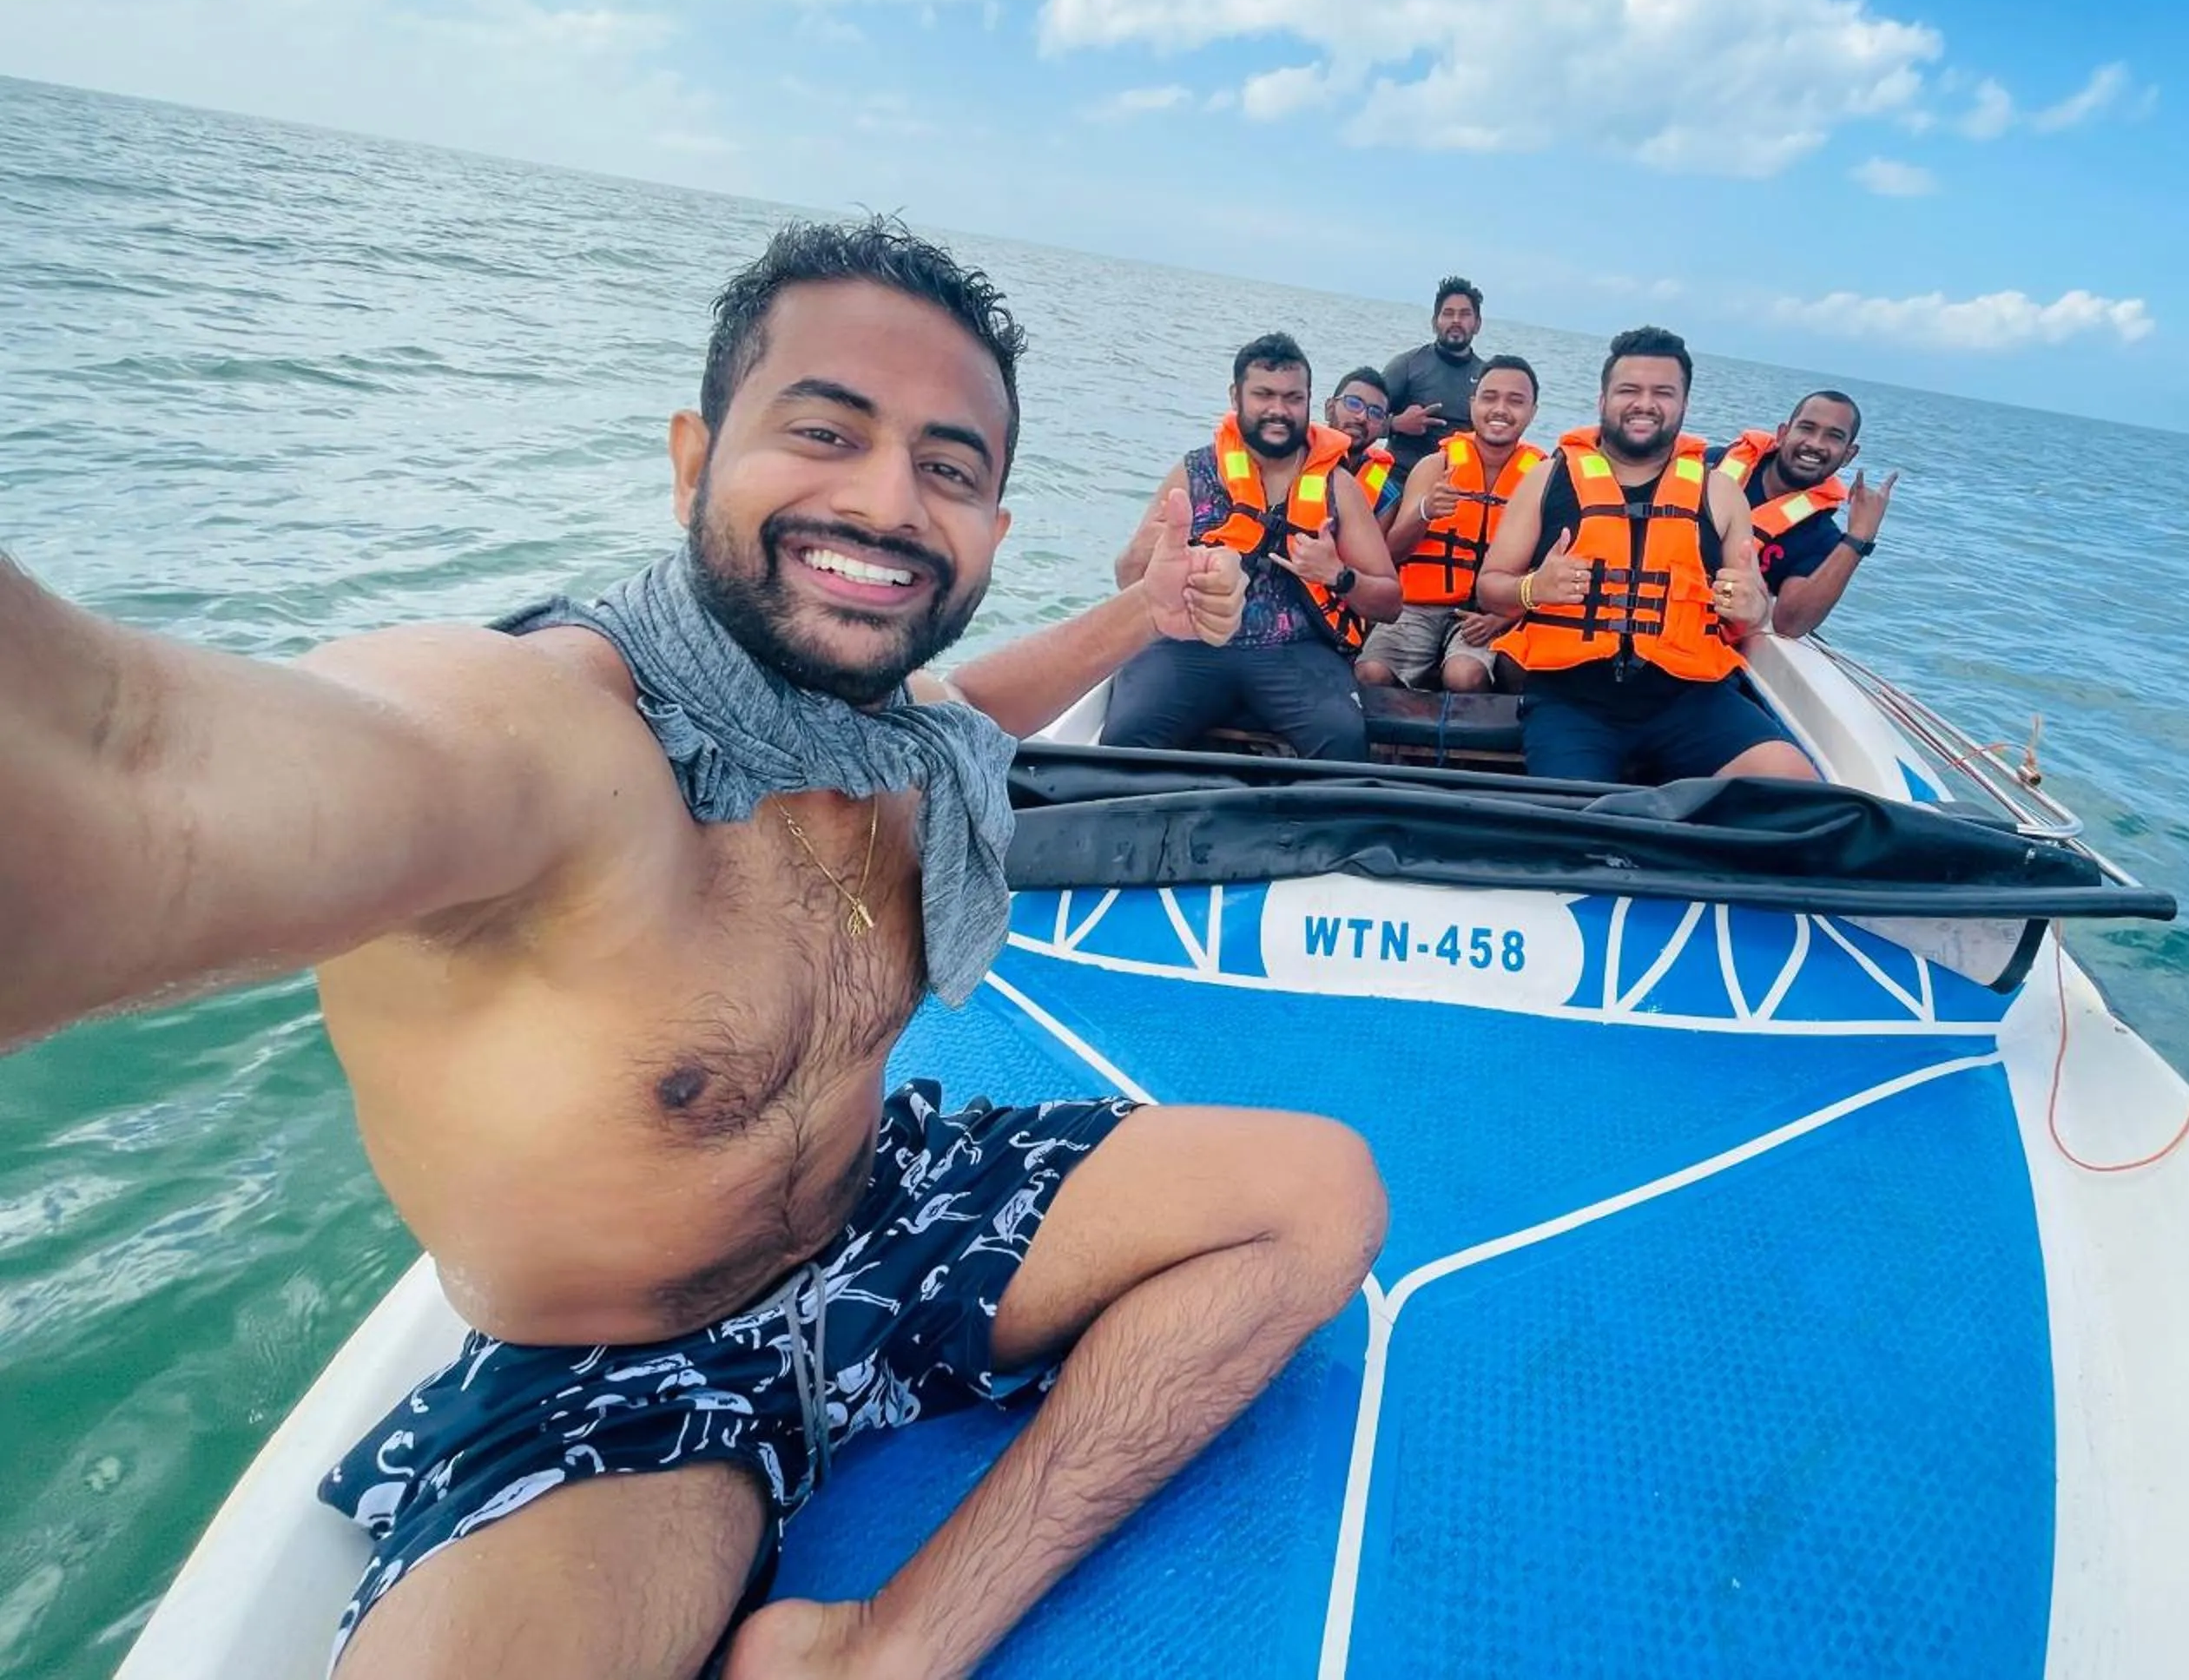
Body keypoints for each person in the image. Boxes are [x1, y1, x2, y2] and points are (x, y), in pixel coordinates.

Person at [0, 218, 1389, 1680]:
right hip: (615, 1373)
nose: (886, 501)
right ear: (690, 458)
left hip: (884, 1220)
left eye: (948, 468)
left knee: (1314, 1199)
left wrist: (1145, 615)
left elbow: (966, 713)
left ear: (989, 528)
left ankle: (888, 1648)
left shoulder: (879, 741)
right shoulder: (553, 738)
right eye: (825, 431)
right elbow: (127, 761)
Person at [1477, 326, 1822, 787]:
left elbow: (1752, 612)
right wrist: (1532, 588)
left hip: (1692, 701)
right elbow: (1489, 587)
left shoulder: (1719, 492)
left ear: (1684, 405)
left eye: (1663, 392)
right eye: (1629, 390)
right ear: (1603, 401)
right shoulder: (1546, 480)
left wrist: (1751, 607)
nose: (1645, 403)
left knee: (1797, 785)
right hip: (1573, 702)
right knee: (1577, 824)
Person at [1105, 333, 1403, 761]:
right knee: (1124, 738)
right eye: (1263, 394)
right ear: (1236, 396)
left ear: (1309, 402)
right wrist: (1148, 552)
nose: (1278, 410)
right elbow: (1126, 578)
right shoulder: (1195, 472)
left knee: (1344, 741)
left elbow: (1390, 602)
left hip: (1298, 653)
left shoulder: (1339, 486)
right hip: (1190, 643)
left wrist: (1338, 574)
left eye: (1292, 398)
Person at [1356, 353, 1544, 694]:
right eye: (1489, 397)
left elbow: (1547, 571)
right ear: (1473, 404)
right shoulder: (1433, 467)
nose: (1500, 409)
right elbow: (1390, 554)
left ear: (1533, 412)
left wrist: (1502, 618)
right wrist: (1425, 512)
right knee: (1371, 672)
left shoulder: (1542, 479)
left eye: (1515, 401)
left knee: (1464, 676)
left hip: (1489, 615)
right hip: (1417, 608)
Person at [1711, 390, 1899, 636]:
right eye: (1807, 428)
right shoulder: (1710, 464)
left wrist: (1860, 537)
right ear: (1783, 434)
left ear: (1848, 455)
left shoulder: (1820, 539)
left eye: (1834, 437)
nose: (1815, 444)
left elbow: (1790, 625)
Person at [1377, 275, 1484, 469]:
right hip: (1399, 476)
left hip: (1456, 484)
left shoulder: (1487, 378)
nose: (1456, 320)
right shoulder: (1406, 365)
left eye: (1465, 314)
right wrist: (1395, 423)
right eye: (1448, 313)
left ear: (1478, 324)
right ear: (1435, 322)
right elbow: (1361, 420)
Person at [1326, 366, 1402, 522]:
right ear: (1330, 408)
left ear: (1382, 427)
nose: (1362, 417)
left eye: (1375, 413)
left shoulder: (1386, 495)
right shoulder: (1290, 463)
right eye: (1353, 403)